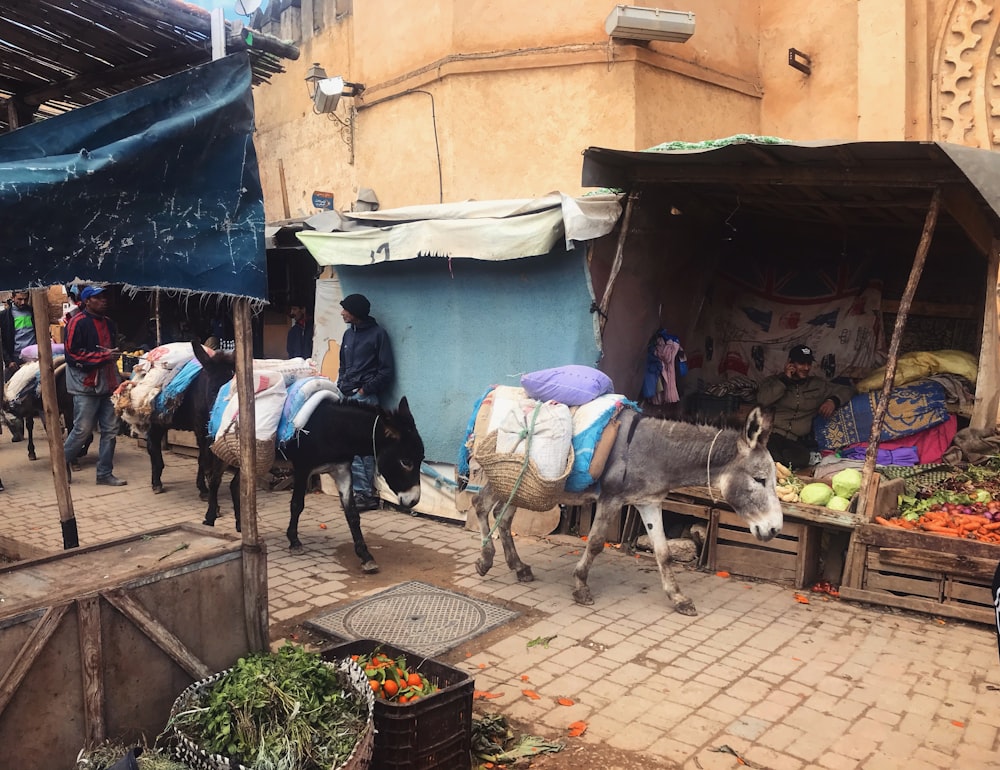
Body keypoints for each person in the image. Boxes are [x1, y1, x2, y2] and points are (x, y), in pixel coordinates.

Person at [63, 286, 127, 486]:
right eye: (97, 298)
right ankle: (61, 463)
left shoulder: (109, 323)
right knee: (82, 430)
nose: (103, 301)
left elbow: (111, 349)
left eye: (103, 297)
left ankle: (104, 473)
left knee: (110, 430)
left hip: (108, 383)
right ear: (87, 301)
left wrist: (114, 354)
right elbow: (72, 354)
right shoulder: (76, 323)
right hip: (86, 386)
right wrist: (103, 356)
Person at [337, 293, 394, 511]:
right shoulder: (347, 335)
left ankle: (366, 495)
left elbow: (386, 371)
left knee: (364, 447)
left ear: (356, 313)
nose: (342, 313)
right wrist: (342, 383)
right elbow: (343, 366)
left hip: (365, 399)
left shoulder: (378, 335)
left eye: (346, 310)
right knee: (348, 446)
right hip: (346, 395)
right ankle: (355, 492)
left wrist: (364, 390)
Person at [756, 343, 853, 469]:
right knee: (771, 459)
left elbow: (848, 390)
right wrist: (785, 380)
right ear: (790, 363)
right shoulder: (774, 381)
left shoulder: (816, 384)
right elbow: (762, 400)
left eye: (808, 364)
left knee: (802, 459)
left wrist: (833, 400)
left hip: (794, 441)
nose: (806, 368)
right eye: (801, 363)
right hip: (771, 435)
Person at [1, 290, 39, 442]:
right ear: (12, 297)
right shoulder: (5, 317)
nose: (22, 302)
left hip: (33, 358)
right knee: (9, 396)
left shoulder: (33, 313)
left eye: (25, 299)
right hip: (14, 359)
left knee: (39, 390)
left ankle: (51, 425)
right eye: (19, 299)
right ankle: (17, 429)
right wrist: (9, 360)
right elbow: (2, 342)